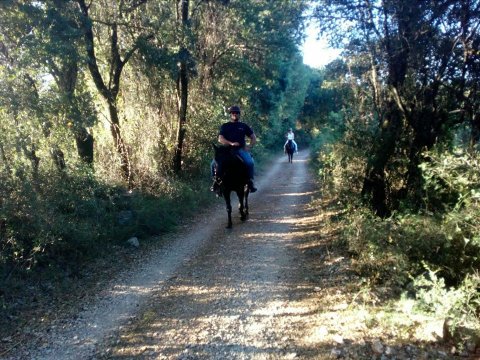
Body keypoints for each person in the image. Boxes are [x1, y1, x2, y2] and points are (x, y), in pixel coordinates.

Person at [211, 105, 257, 193]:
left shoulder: (243, 126)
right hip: (227, 150)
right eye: (233, 112)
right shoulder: (225, 126)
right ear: (230, 114)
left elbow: (253, 137)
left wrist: (249, 146)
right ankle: (216, 182)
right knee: (213, 164)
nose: (235, 114)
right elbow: (220, 138)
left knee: (250, 162)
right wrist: (231, 143)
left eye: (237, 113)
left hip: (240, 150)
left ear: (239, 114)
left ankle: (250, 182)